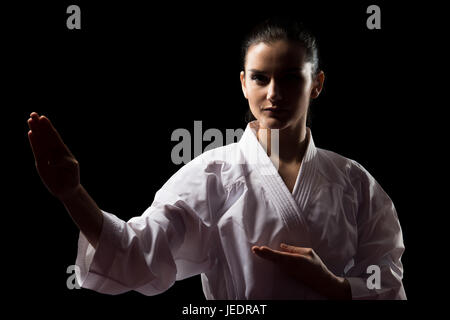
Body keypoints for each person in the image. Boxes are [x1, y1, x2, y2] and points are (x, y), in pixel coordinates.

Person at [27, 17, 406, 300]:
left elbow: (387, 282)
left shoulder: (355, 182)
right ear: (244, 83)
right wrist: (73, 194)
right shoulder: (212, 174)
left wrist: (335, 285)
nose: (273, 92)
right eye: (260, 78)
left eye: (291, 78)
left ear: (317, 84)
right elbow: (135, 251)